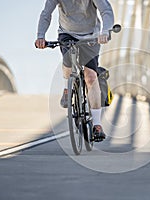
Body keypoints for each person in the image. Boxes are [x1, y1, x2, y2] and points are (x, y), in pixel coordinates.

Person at [35, 0, 114, 141]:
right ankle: (67, 89)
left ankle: (97, 124)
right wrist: (41, 36)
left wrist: (105, 31)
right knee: (68, 64)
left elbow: (106, 11)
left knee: (90, 77)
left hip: (92, 36)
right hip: (67, 34)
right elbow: (46, 14)